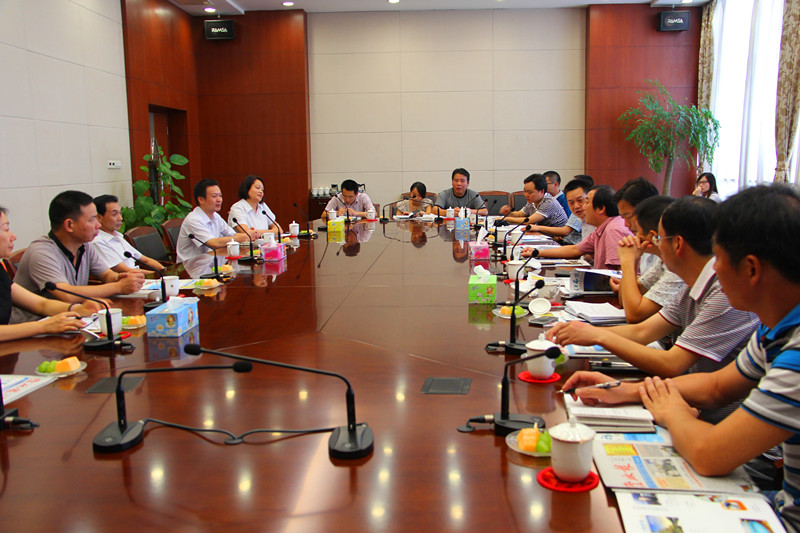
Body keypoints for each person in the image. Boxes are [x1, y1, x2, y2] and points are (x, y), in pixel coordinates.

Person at [560, 184, 800, 532]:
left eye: (719, 258)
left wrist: (670, 410)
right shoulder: (775, 327)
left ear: (751, 268)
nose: (714, 268)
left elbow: (708, 454)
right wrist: (628, 391)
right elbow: (717, 386)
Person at [547, 196, 759, 423]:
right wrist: (584, 332)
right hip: (688, 403)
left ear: (677, 244)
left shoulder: (724, 292)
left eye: (658, 238)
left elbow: (672, 363)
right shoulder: (693, 284)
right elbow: (643, 331)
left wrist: (598, 335)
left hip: (718, 421)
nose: (653, 245)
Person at [13, 191, 145, 309]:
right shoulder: (41, 252)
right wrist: (118, 286)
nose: (98, 225)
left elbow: (106, 275)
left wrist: (120, 278)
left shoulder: (85, 245)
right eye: (92, 220)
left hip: (74, 317)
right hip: (37, 323)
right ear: (69, 225)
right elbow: (66, 294)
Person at [0, 207, 102, 341]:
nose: (13, 236)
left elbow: (42, 304)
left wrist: (77, 309)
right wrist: (43, 326)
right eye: (6, 229)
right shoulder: (40, 250)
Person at [612, 196, 685, 324]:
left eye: (637, 231)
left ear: (652, 236)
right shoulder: (663, 262)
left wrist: (627, 261)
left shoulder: (678, 269)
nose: (634, 236)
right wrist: (633, 261)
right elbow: (624, 301)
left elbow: (634, 315)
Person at [522, 185, 631, 270]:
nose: (582, 207)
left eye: (586, 202)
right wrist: (537, 252)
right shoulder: (602, 227)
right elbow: (576, 249)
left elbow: (617, 274)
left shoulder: (613, 230)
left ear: (601, 208)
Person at [177, 180, 248, 262]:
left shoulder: (215, 216)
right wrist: (239, 238)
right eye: (214, 196)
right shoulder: (193, 219)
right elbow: (213, 243)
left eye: (220, 196)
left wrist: (249, 235)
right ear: (201, 199)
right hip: (191, 265)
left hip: (211, 261)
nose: (219, 200)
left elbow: (232, 234)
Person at [92, 195, 166, 273]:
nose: (120, 218)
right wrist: (159, 275)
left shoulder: (118, 236)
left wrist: (165, 271)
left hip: (139, 276)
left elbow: (145, 260)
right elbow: (125, 271)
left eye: (120, 213)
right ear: (99, 217)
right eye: (114, 214)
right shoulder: (98, 241)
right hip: (128, 278)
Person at [526, 179, 590, 245]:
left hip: (571, 245)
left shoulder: (550, 201)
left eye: (580, 200)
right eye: (571, 203)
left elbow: (566, 231)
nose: (576, 206)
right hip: (564, 242)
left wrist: (538, 228)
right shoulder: (580, 214)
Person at [499, 174, 567, 227]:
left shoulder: (549, 202)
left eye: (530, 192)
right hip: (544, 235)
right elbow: (520, 214)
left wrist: (504, 219)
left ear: (542, 191)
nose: (526, 195)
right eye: (525, 191)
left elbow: (529, 220)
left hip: (559, 237)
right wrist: (509, 213)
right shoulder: (532, 202)